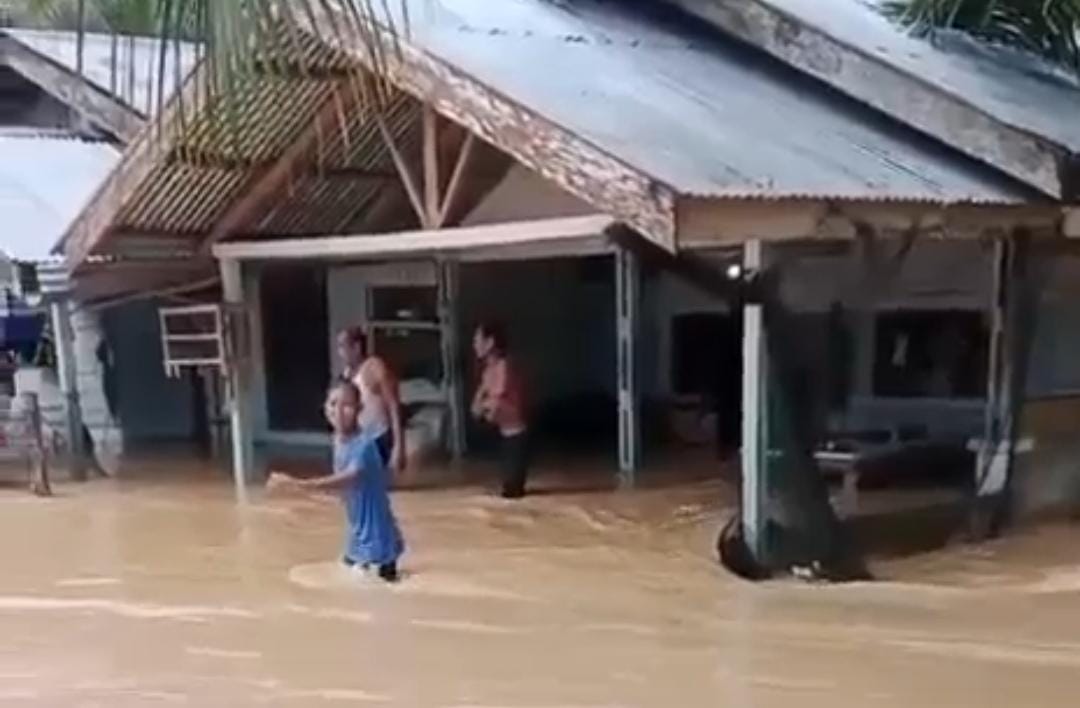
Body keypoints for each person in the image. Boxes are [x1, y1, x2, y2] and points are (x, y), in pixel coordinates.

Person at [268, 381, 404, 582]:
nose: (338, 412)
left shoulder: (365, 445)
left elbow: (347, 479)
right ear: (325, 407)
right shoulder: (338, 440)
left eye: (347, 406)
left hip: (378, 543)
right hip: (357, 538)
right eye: (333, 404)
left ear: (359, 409)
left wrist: (297, 485)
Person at [471, 321, 530, 499]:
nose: (474, 345)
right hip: (505, 437)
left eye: (477, 340)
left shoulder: (504, 366)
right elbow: (476, 406)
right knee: (507, 490)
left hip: (517, 437)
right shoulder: (489, 371)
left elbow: (496, 400)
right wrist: (482, 405)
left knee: (512, 493)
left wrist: (483, 405)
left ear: (490, 343)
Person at [336, 327, 405, 473]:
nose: (340, 353)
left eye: (343, 347)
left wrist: (399, 445)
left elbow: (393, 405)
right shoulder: (347, 373)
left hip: (377, 439)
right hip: (358, 440)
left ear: (356, 347)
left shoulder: (374, 368)